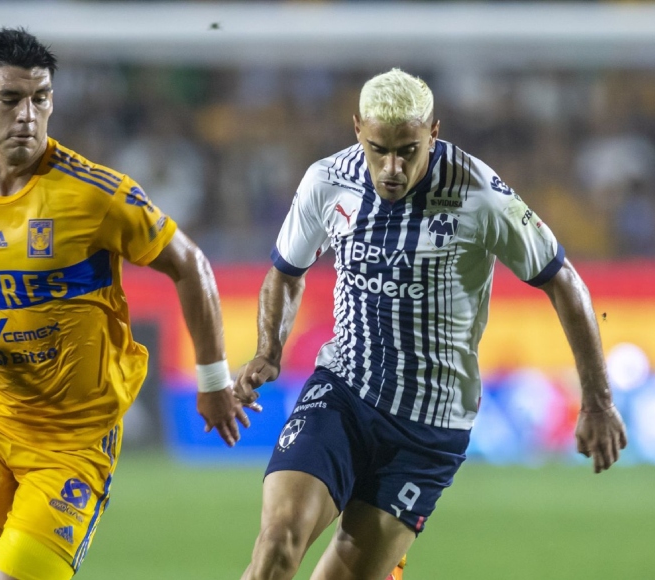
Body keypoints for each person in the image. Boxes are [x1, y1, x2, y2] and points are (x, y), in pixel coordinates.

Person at [0, 28, 254, 580]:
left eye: (39, 98)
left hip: (74, 439)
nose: (27, 114)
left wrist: (213, 381)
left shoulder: (95, 194)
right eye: (10, 98)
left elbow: (192, 266)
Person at [234, 68, 628, 580]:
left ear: (433, 132)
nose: (392, 167)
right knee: (277, 545)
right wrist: (269, 349)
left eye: (408, 150)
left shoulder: (480, 194)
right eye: (379, 149)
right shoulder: (327, 181)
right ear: (357, 129)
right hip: (343, 393)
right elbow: (285, 273)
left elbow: (565, 282)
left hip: (428, 428)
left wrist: (597, 400)